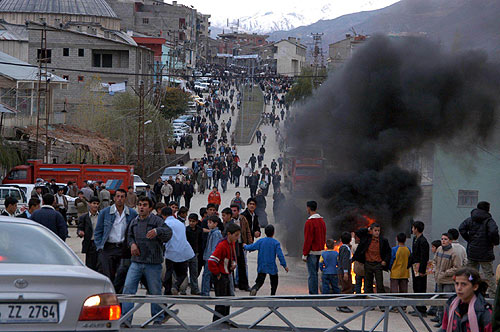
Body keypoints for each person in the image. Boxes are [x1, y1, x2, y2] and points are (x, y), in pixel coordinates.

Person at [121, 197, 173, 326]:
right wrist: (132, 244)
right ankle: (125, 320)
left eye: (144, 205)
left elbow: (168, 233)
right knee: (128, 291)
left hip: (153, 264)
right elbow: (129, 237)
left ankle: (157, 319)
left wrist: (157, 231)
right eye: (139, 205)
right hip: (136, 262)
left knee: (155, 293)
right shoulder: (134, 222)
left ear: (150, 208)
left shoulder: (157, 221)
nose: (141, 207)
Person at [94, 189, 138, 283]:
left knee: (122, 275)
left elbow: (134, 231)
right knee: (108, 275)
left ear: (125, 198)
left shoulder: (132, 214)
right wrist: (99, 246)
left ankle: (120, 295)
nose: (119, 199)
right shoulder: (105, 213)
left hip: (123, 248)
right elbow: (98, 231)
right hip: (108, 247)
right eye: (117, 196)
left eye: (122, 197)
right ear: (114, 198)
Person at [459, 201, 499, 296]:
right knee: (488, 274)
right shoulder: (489, 221)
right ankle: (493, 295)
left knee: (470, 274)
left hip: (472, 252)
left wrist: (469, 240)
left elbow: (461, 228)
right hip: (485, 253)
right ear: (487, 209)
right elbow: (493, 232)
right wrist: (494, 242)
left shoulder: (470, 219)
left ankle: (470, 292)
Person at [208, 223, 241, 323]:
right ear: (229, 234)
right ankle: (217, 322)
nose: (237, 237)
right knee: (221, 302)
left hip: (227, 274)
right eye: (236, 235)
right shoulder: (222, 245)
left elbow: (233, 255)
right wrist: (218, 274)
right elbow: (211, 261)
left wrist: (233, 263)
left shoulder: (232, 243)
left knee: (227, 300)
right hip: (221, 276)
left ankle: (225, 320)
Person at [441, 268, 492, 332]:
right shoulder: (451, 305)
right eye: (457, 284)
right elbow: (444, 328)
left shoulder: (483, 311)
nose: (459, 288)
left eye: (463, 284)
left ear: (475, 287)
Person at [245, 225, 288, 296]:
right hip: (271, 266)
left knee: (259, 281)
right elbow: (280, 255)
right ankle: (272, 294)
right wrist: (284, 265)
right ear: (273, 232)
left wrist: (245, 246)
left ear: (265, 232)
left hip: (262, 265)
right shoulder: (275, 243)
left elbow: (251, 247)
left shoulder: (261, 241)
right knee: (274, 282)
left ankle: (255, 288)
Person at [162, 206, 195, 295]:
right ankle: (176, 286)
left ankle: (167, 290)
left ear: (163, 215)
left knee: (169, 272)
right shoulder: (180, 223)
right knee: (182, 273)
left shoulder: (165, 224)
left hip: (171, 251)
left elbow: (165, 238)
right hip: (183, 251)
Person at [433, 232, 463, 327]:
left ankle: (447, 324)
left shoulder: (454, 252)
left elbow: (457, 267)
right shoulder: (439, 249)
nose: (443, 241)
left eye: (445, 239)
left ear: (450, 241)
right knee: (439, 303)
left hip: (448, 282)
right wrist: (434, 268)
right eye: (442, 239)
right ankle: (441, 321)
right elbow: (435, 261)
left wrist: (445, 273)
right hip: (439, 280)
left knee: (447, 303)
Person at [352, 223, 391, 294]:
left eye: (378, 231)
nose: (377, 232)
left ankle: (382, 302)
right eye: (375, 230)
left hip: (378, 265)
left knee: (379, 284)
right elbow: (358, 232)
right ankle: (369, 302)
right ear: (371, 231)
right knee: (368, 285)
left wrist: (385, 260)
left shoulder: (383, 240)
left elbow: (388, 252)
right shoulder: (366, 238)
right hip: (368, 264)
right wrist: (367, 229)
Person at [302, 201, 326, 295]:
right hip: (320, 252)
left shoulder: (309, 222)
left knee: (312, 274)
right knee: (317, 273)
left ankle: (313, 293)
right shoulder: (322, 221)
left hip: (312, 252)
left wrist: (305, 253)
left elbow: (308, 239)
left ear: (308, 208)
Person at [408, 220, 430, 316]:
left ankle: (422, 309)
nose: (412, 230)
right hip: (414, 266)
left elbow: (424, 257)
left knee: (421, 288)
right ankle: (417, 308)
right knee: (416, 287)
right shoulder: (415, 239)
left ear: (416, 229)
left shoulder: (423, 241)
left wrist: (422, 270)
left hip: (420, 268)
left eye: (413, 228)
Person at [201, 215, 223, 296]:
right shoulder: (211, 232)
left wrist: (212, 257)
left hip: (211, 257)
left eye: (210, 222)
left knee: (207, 275)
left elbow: (214, 247)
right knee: (206, 274)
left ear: (215, 224)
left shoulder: (216, 234)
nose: (208, 224)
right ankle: (204, 291)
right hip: (208, 256)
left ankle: (205, 292)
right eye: (208, 222)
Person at [77, 196, 100, 271]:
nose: (96, 205)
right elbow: (80, 228)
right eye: (94, 203)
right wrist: (80, 232)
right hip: (90, 244)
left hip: (100, 244)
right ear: (89, 204)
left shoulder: (101, 216)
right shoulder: (84, 218)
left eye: (97, 204)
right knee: (90, 266)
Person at [185, 213, 203, 295]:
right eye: (190, 221)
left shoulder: (199, 230)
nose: (191, 223)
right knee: (184, 272)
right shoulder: (186, 230)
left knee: (194, 272)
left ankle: (194, 289)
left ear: (196, 222)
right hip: (186, 253)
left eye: (193, 221)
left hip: (195, 253)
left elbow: (201, 241)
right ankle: (183, 288)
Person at [338, 232, 354, 313]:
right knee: (347, 288)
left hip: (341, 271)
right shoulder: (346, 249)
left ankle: (341, 304)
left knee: (344, 287)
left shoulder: (342, 247)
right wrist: (346, 273)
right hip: (344, 272)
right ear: (350, 240)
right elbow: (345, 261)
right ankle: (343, 305)